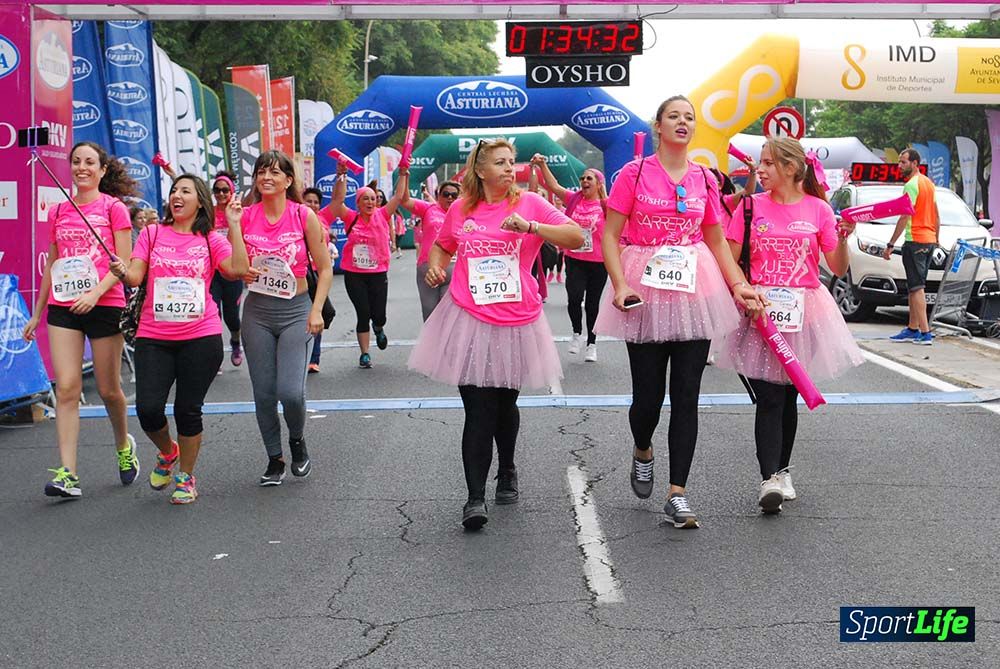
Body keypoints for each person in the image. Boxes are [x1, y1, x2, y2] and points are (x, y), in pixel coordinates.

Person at [594, 96, 762, 529]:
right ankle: (643, 448)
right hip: (644, 289)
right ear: (659, 126)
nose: (683, 123)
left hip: (694, 288)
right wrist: (620, 285)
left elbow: (716, 239)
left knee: (687, 394)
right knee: (647, 398)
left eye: (689, 117)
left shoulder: (705, 178)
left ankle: (678, 494)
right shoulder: (633, 173)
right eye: (675, 116)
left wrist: (738, 284)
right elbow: (610, 235)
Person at [408, 138, 584, 530]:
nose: (509, 168)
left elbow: (577, 237)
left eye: (512, 162)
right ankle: (474, 498)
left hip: (516, 319)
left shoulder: (530, 204)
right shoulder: (461, 208)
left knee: (504, 405)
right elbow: (442, 247)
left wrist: (532, 227)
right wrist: (438, 267)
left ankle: (507, 468)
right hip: (468, 316)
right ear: (481, 171)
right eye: (500, 163)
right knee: (477, 409)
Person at [714, 137, 865, 513]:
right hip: (761, 313)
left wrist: (844, 240)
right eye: (760, 163)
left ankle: (782, 470)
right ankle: (769, 480)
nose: (760, 170)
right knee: (767, 397)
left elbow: (839, 267)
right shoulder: (749, 207)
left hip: (805, 313)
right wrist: (744, 291)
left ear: (792, 168)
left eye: (767, 163)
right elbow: (728, 260)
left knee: (788, 396)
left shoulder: (818, 210)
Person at [112, 175, 249, 504]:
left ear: (199, 201)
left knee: (188, 409)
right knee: (148, 410)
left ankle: (186, 477)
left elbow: (238, 269)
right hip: (153, 335)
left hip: (200, 336)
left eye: (185, 191)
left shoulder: (210, 239)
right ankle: (167, 451)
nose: (177, 195)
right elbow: (135, 275)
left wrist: (234, 225)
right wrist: (120, 269)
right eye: (174, 190)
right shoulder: (152, 233)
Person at [22, 141, 138, 499]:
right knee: (68, 388)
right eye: (76, 162)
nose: (82, 167)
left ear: (102, 170)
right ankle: (68, 474)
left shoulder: (114, 208)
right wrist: (38, 311)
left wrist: (95, 293)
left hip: (105, 303)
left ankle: (123, 444)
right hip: (64, 305)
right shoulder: (58, 211)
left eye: (90, 162)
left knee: (108, 390)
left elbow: (125, 262)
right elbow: (53, 266)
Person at [240, 151, 333, 485]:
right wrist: (243, 266)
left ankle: (297, 438)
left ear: (288, 180)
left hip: (296, 310)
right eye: (261, 171)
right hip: (258, 313)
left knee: (290, 392)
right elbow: (236, 267)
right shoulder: (245, 216)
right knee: (264, 393)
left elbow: (324, 268)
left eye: (275, 172)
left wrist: (317, 309)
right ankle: (274, 458)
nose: (267, 177)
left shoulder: (302, 216)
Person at [329, 164, 409, 369]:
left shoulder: (383, 215)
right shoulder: (351, 218)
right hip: (354, 273)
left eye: (373, 198)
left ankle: (379, 327)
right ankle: (364, 353)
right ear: (358, 202)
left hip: (377, 273)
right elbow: (337, 201)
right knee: (363, 312)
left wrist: (402, 175)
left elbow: (399, 197)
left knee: (378, 314)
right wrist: (341, 175)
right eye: (366, 198)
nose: (371, 202)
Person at [531, 154, 608, 362]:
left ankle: (592, 343)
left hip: (599, 262)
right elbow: (554, 186)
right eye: (582, 178)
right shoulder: (574, 199)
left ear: (598, 183)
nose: (584, 182)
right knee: (574, 299)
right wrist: (543, 164)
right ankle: (576, 334)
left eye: (589, 179)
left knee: (593, 304)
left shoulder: (606, 205)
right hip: (574, 258)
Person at [884, 148, 940, 346]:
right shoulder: (928, 184)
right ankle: (912, 328)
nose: (900, 166)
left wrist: (891, 243)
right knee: (915, 286)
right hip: (928, 240)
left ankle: (925, 333)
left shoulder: (911, 185)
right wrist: (936, 238)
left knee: (916, 289)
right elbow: (936, 214)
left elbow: (904, 216)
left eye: (904, 162)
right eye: (899, 162)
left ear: (915, 163)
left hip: (915, 239)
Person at [400, 180, 461, 320]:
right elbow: (404, 200)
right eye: (446, 194)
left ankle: (447, 342)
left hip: (453, 269)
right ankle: (433, 341)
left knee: (448, 314)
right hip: (427, 269)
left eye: (454, 195)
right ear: (438, 196)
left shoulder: (463, 213)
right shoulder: (428, 208)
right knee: (430, 314)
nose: (450, 198)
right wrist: (404, 176)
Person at [209, 172, 245, 366]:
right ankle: (214, 356)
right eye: (217, 190)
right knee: (213, 313)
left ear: (231, 191)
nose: (221, 194)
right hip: (212, 272)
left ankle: (235, 341)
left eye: (225, 190)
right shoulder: (208, 212)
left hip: (232, 272)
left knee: (232, 317)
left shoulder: (240, 212)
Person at [302, 186, 336, 373]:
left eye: (316, 202)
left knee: (319, 313)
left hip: (318, 276)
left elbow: (338, 200)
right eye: (309, 201)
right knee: (301, 316)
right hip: (299, 274)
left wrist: (341, 176)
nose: (313, 205)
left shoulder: (323, 219)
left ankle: (314, 358)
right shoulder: (297, 217)